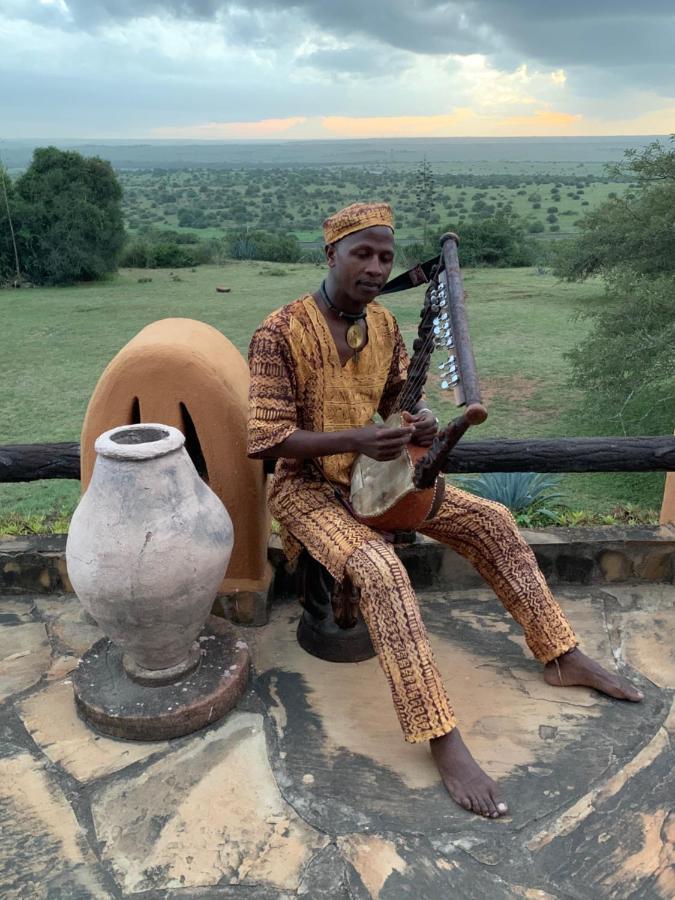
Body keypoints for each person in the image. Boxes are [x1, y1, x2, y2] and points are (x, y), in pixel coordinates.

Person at [246, 201, 643, 819]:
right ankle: (441, 734)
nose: (376, 267)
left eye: (385, 256)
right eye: (363, 253)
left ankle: (561, 653)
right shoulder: (279, 332)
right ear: (331, 255)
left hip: (380, 479)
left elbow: (398, 402)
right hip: (308, 489)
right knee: (381, 573)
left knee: (493, 521)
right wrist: (355, 438)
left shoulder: (384, 326)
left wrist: (418, 422)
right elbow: (266, 441)